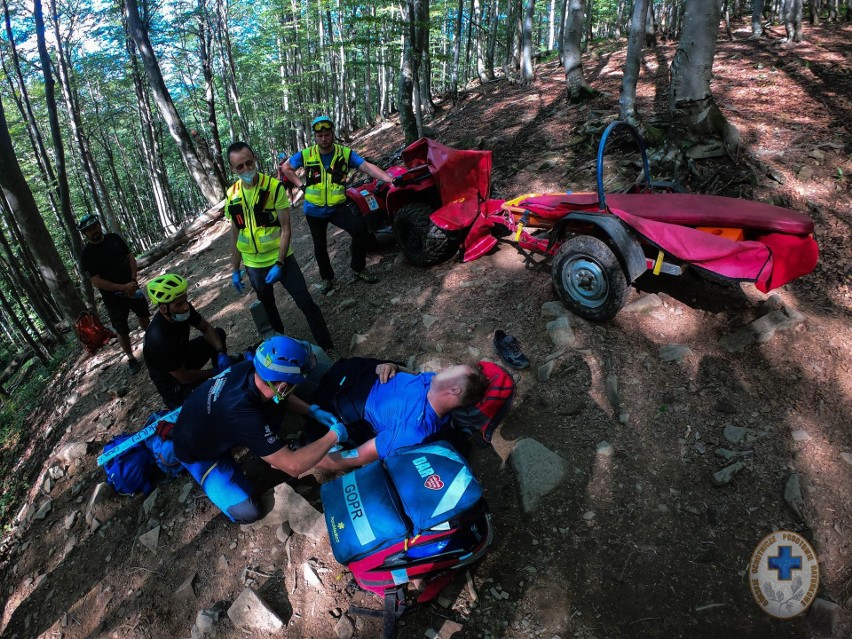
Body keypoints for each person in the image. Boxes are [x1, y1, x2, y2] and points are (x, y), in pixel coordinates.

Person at [172, 336, 348, 524]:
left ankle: (266, 448)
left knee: (273, 406)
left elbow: (281, 397)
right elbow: (293, 466)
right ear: (282, 386)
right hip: (197, 451)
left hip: (210, 420)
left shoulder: (252, 370)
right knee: (247, 511)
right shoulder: (243, 415)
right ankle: (265, 454)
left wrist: (312, 411)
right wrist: (333, 436)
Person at [225, 141, 336, 357]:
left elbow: (286, 229)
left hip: (280, 259)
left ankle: (328, 347)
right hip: (253, 265)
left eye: (249, 163)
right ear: (233, 169)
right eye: (240, 167)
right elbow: (236, 232)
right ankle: (280, 353)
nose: (247, 170)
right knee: (268, 308)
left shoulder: (273, 187)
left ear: (255, 159)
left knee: (306, 303)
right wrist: (235, 268)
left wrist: (280, 262)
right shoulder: (232, 194)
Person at [281, 115, 395, 294]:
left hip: (337, 207)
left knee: (360, 230)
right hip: (313, 209)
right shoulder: (306, 154)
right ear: (315, 137)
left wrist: (389, 179)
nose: (324, 139)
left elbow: (366, 167)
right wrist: (301, 185)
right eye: (320, 136)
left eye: (327, 134)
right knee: (320, 246)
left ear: (332, 134)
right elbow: (286, 167)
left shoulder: (344, 153)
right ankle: (327, 278)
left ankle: (358, 268)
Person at [309, 358, 489, 471]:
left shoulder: (414, 429)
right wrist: (392, 366)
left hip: (339, 400)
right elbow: (415, 375)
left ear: (454, 390)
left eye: (452, 371)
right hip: (354, 374)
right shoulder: (433, 381)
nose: (447, 369)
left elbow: (358, 456)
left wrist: (313, 459)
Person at [142, 273, 233, 409]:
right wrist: (212, 372)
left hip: (183, 357)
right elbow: (184, 377)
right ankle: (217, 376)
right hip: (174, 383)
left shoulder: (185, 310)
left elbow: (206, 328)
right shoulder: (158, 339)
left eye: (185, 300)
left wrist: (220, 352)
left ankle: (222, 371)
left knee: (218, 334)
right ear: (163, 309)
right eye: (179, 304)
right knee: (210, 400)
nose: (185, 306)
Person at [78, 214, 150, 374]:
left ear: (99, 224)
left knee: (144, 314)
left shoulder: (114, 238)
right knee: (121, 329)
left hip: (132, 286)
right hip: (113, 298)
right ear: (85, 234)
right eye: (88, 230)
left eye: (94, 226)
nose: (93, 231)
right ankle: (131, 358)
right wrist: (122, 287)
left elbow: (130, 257)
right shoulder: (87, 255)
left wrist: (132, 279)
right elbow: (96, 281)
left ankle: (153, 338)